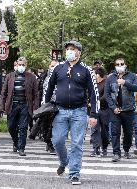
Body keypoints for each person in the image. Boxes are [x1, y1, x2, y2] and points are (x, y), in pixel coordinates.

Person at [45, 40, 99, 185]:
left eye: (73, 49)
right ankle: (64, 161)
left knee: (76, 144)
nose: (69, 51)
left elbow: (94, 93)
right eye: (68, 48)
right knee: (57, 141)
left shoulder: (86, 70)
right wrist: (46, 106)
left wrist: (94, 114)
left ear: (79, 52)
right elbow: (48, 87)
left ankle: (74, 173)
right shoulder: (58, 68)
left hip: (79, 112)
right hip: (60, 111)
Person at [105, 58, 137, 162]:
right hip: (115, 110)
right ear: (115, 65)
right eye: (117, 64)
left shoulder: (132, 76)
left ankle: (126, 149)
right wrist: (113, 107)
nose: (120, 65)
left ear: (125, 65)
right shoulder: (110, 78)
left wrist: (125, 82)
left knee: (128, 132)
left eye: (122, 64)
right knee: (115, 132)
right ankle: (116, 153)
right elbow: (107, 94)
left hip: (128, 109)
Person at [0, 57, 39, 156]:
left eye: (23, 65)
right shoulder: (10, 76)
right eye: (19, 64)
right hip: (12, 105)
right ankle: (16, 142)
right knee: (11, 126)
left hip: (25, 105)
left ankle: (21, 148)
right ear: (16, 65)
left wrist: (35, 108)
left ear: (26, 65)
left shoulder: (31, 77)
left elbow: (36, 94)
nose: (21, 66)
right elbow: (4, 92)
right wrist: (2, 105)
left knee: (23, 127)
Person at [29, 60, 58, 155]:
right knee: (46, 125)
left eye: (55, 66)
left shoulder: (60, 76)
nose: (53, 67)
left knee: (54, 126)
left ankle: (50, 144)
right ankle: (48, 143)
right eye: (52, 65)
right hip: (46, 105)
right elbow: (39, 90)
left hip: (57, 105)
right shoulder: (44, 76)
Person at [90, 67, 110, 157]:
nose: (93, 75)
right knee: (94, 129)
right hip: (94, 110)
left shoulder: (106, 83)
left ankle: (104, 148)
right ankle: (95, 148)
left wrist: (95, 102)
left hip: (104, 109)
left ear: (98, 74)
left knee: (104, 130)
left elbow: (106, 96)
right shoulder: (92, 84)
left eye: (94, 73)